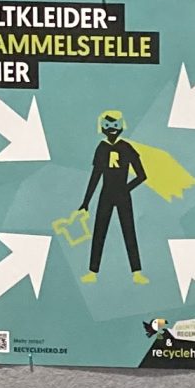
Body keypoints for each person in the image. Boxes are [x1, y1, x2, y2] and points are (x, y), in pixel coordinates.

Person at [80, 111, 148, 284]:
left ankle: (137, 272)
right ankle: (92, 271)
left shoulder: (126, 147)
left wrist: (126, 189)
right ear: (102, 127)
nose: (111, 129)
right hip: (106, 195)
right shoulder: (101, 148)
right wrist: (86, 202)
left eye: (115, 125)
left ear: (122, 126)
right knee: (99, 231)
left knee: (129, 231)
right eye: (107, 125)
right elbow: (95, 176)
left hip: (123, 196)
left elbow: (142, 175)